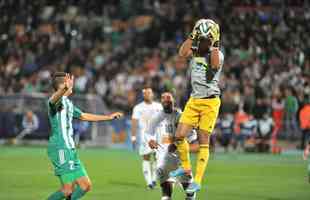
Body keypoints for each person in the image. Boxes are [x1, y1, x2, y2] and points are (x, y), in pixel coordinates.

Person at [47, 72, 123, 200]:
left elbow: (83, 115)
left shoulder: (68, 103)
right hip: (60, 148)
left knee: (85, 185)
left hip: (70, 149)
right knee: (67, 190)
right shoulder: (55, 102)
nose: (72, 86)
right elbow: (53, 100)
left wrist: (108, 117)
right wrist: (64, 89)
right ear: (63, 85)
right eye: (68, 84)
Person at [169, 19, 224, 193]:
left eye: (206, 39)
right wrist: (192, 35)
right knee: (179, 136)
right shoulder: (195, 51)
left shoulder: (217, 54)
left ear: (213, 39)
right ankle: (186, 168)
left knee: (203, 141)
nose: (203, 41)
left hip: (210, 102)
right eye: (201, 38)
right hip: (194, 100)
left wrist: (214, 44)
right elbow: (181, 53)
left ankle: (198, 180)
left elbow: (215, 66)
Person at [146, 92, 198, 200]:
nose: (165, 100)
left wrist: (178, 142)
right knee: (166, 194)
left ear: (173, 101)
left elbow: (192, 136)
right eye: (163, 98)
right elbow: (148, 133)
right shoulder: (156, 117)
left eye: (168, 98)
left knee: (189, 192)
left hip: (180, 159)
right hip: (163, 160)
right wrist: (150, 140)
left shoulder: (181, 116)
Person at [131, 86, 163, 189]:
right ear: (143, 95)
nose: (148, 95)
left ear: (153, 94)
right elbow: (134, 122)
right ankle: (149, 182)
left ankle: (153, 179)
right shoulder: (138, 107)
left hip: (158, 135)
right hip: (145, 136)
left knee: (157, 158)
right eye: (146, 93)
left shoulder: (159, 106)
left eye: (150, 93)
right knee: (146, 157)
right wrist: (133, 137)